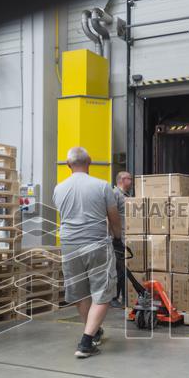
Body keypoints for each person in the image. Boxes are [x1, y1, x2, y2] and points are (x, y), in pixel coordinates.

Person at [52, 147, 121, 358]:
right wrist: (117, 237)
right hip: (96, 244)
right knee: (103, 292)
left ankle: (92, 331)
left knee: (81, 292)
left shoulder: (59, 188)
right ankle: (86, 342)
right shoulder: (102, 186)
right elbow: (113, 216)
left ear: (67, 165)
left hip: (69, 245)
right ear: (89, 162)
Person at [111, 171, 133, 308]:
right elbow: (110, 216)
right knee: (118, 269)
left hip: (126, 237)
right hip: (117, 238)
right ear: (123, 180)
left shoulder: (127, 196)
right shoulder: (115, 194)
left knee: (123, 269)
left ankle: (124, 297)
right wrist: (115, 237)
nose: (131, 182)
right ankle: (114, 297)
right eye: (129, 179)